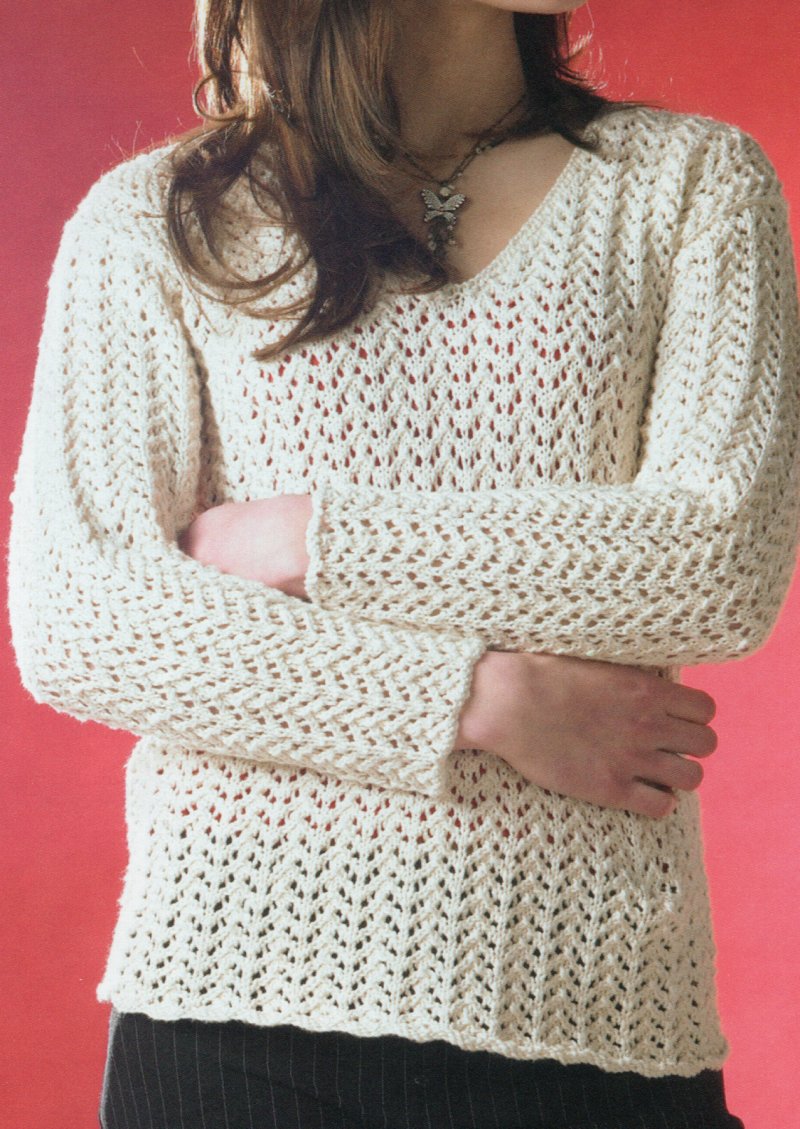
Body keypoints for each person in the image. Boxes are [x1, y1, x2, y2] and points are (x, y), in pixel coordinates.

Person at [7, 0, 800, 1125]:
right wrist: (476, 698)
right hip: (238, 1021)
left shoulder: (691, 186)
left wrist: (310, 539)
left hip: (597, 1014)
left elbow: (713, 561)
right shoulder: (161, 220)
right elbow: (85, 616)